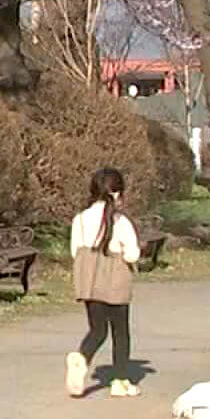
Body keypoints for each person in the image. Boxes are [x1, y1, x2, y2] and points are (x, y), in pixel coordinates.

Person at [66, 167, 142, 399]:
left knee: (97, 329)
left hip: (90, 281)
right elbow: (132, 254)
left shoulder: (79, 219)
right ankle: (120, 381)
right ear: (117, 193)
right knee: (121, 332)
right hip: (115, 279)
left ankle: (82, 356)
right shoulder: (120, 221)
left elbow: (74, 251)